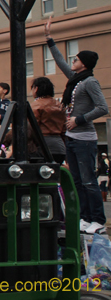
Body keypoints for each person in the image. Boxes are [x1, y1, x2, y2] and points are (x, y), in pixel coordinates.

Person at [45, 17, 108, 234]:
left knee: (89, 181)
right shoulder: (75, 79)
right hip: (71, 139)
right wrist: (49, 39)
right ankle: (84, 218)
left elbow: (103, 108)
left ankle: (98, 220)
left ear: (85, 63)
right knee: (78, 181)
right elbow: (61, 61)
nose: (74, 60)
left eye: (77, 58)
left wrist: (78, 120)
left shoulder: (90, 82)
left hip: (84, 139)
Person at [30, 76, 67, 166]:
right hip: (59, 147)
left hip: (42, 146)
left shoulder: (36, 105)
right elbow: (64, 130)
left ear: (36, 89)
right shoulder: (59, 105)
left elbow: (30, 127)